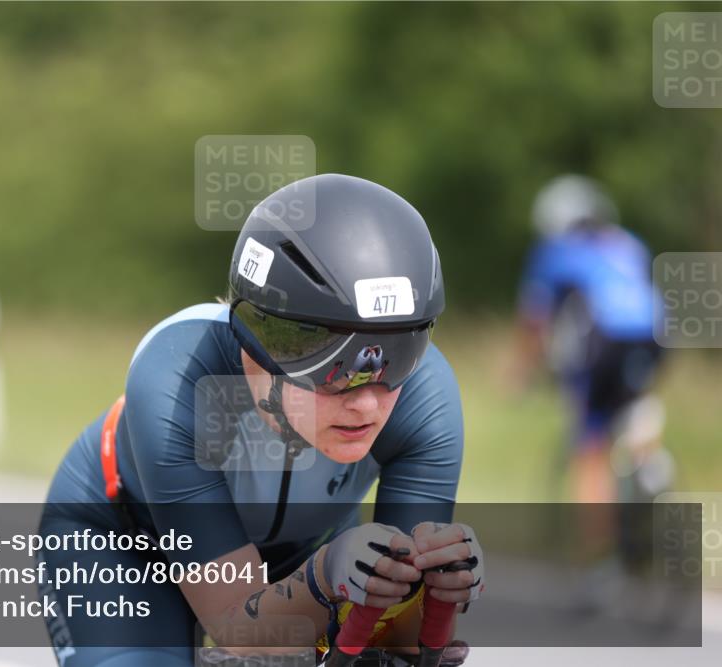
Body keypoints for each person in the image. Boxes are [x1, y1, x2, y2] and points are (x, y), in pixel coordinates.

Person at [37, 174, 484, 666]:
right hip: (124, 542)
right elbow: (236, 625)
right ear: (260, 343)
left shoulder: (428, 394)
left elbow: (399, 638)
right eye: (334, 366)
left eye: (400, 354)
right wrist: (323, 576)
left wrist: (435, 592)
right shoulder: (180, 374)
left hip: (308, 550)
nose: (368, 404)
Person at [511, 174, 668, 505]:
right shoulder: (629, 242)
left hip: (603, 339)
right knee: (634, 407)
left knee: (591, 443)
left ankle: (598, 548)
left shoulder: (554, 250)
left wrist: (523, 372)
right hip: (656, 337)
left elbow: (535, 319)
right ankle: (650, 465)